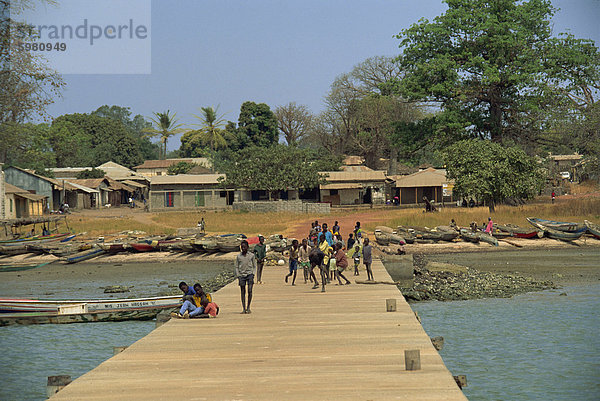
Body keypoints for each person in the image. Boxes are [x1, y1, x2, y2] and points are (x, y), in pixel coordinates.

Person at [235, 240, 257, 314]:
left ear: (247, 247)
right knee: (243, 291)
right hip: (242, 275)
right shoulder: (238, 256)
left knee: (250, 290)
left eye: (244, 247)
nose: (243, 249)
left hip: (249, 274)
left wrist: (253, 274)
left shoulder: (251, 255)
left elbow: (254, 265)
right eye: (242, 247)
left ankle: (248, 307)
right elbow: (237, 266)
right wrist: (238, 275)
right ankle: (244, 308)